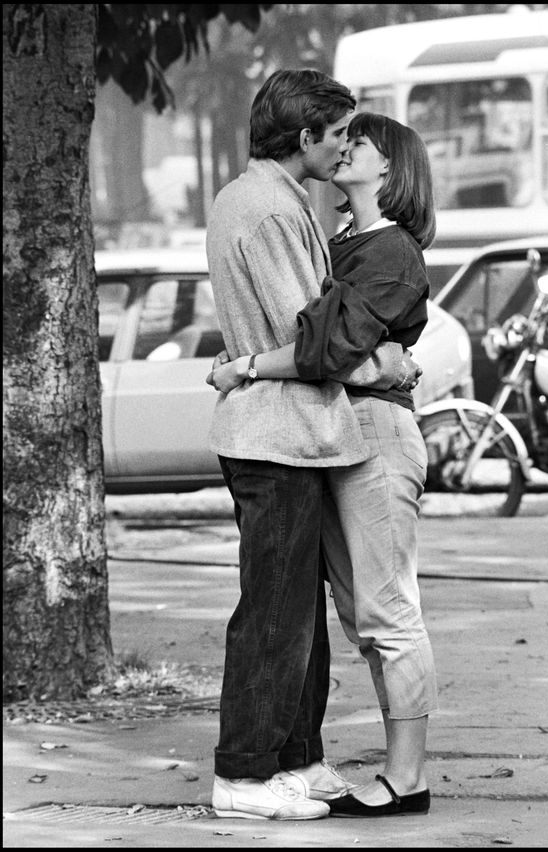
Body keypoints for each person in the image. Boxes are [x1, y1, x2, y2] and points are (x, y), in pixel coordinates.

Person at [205, 70, 420, 821]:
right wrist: (385, 362)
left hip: (295, 431)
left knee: (299, 611)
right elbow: (315, 337)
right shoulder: (266, 208)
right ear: (305, 136)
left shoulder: (271, 199)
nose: (343, 149)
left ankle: (297, 757)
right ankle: (245, 772)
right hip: (276, 432)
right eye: (337, 135)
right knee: (274, 613)